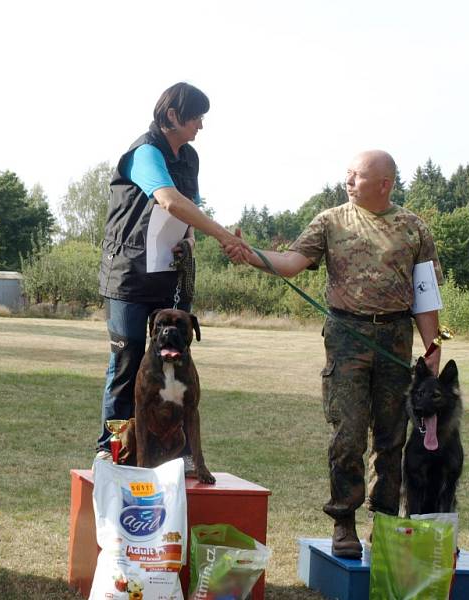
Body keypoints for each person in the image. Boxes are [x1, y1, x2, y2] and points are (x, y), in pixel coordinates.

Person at [237, 149, 443, 558]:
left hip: (396, 339)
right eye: (347, 173)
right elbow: (293, 262)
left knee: (391, 438)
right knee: (347, 434)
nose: (347, 181)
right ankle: (344, 523)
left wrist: (433, 347)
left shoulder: (413, 227)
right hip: (347, 337)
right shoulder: (330, 220)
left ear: (384, 183)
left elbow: (425, 293)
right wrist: (252, 256)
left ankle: (383, 523)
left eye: (357, 175)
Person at [96, 82, 252, 467]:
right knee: (129, 359)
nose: (201, 125)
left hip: (170, 274)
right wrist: (221, 236)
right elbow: (169, 199)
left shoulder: (190, 157)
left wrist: (192, 242)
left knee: (178, 355)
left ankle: (177, 454)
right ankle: (110, 448)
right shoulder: (144, 152)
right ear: (172, 116)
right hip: (129, 274)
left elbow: (188, 212)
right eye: (196, 117)